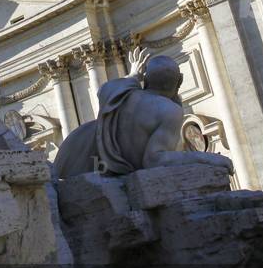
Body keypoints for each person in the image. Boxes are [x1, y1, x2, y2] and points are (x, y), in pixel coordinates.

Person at [54, 48, 233, 179]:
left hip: (76, 155)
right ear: (179, 81)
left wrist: (133, 75)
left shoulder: (120, 92)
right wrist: (204, 158)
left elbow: (106, 89)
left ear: (145, 79)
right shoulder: (170, 111)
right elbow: (154, 160)